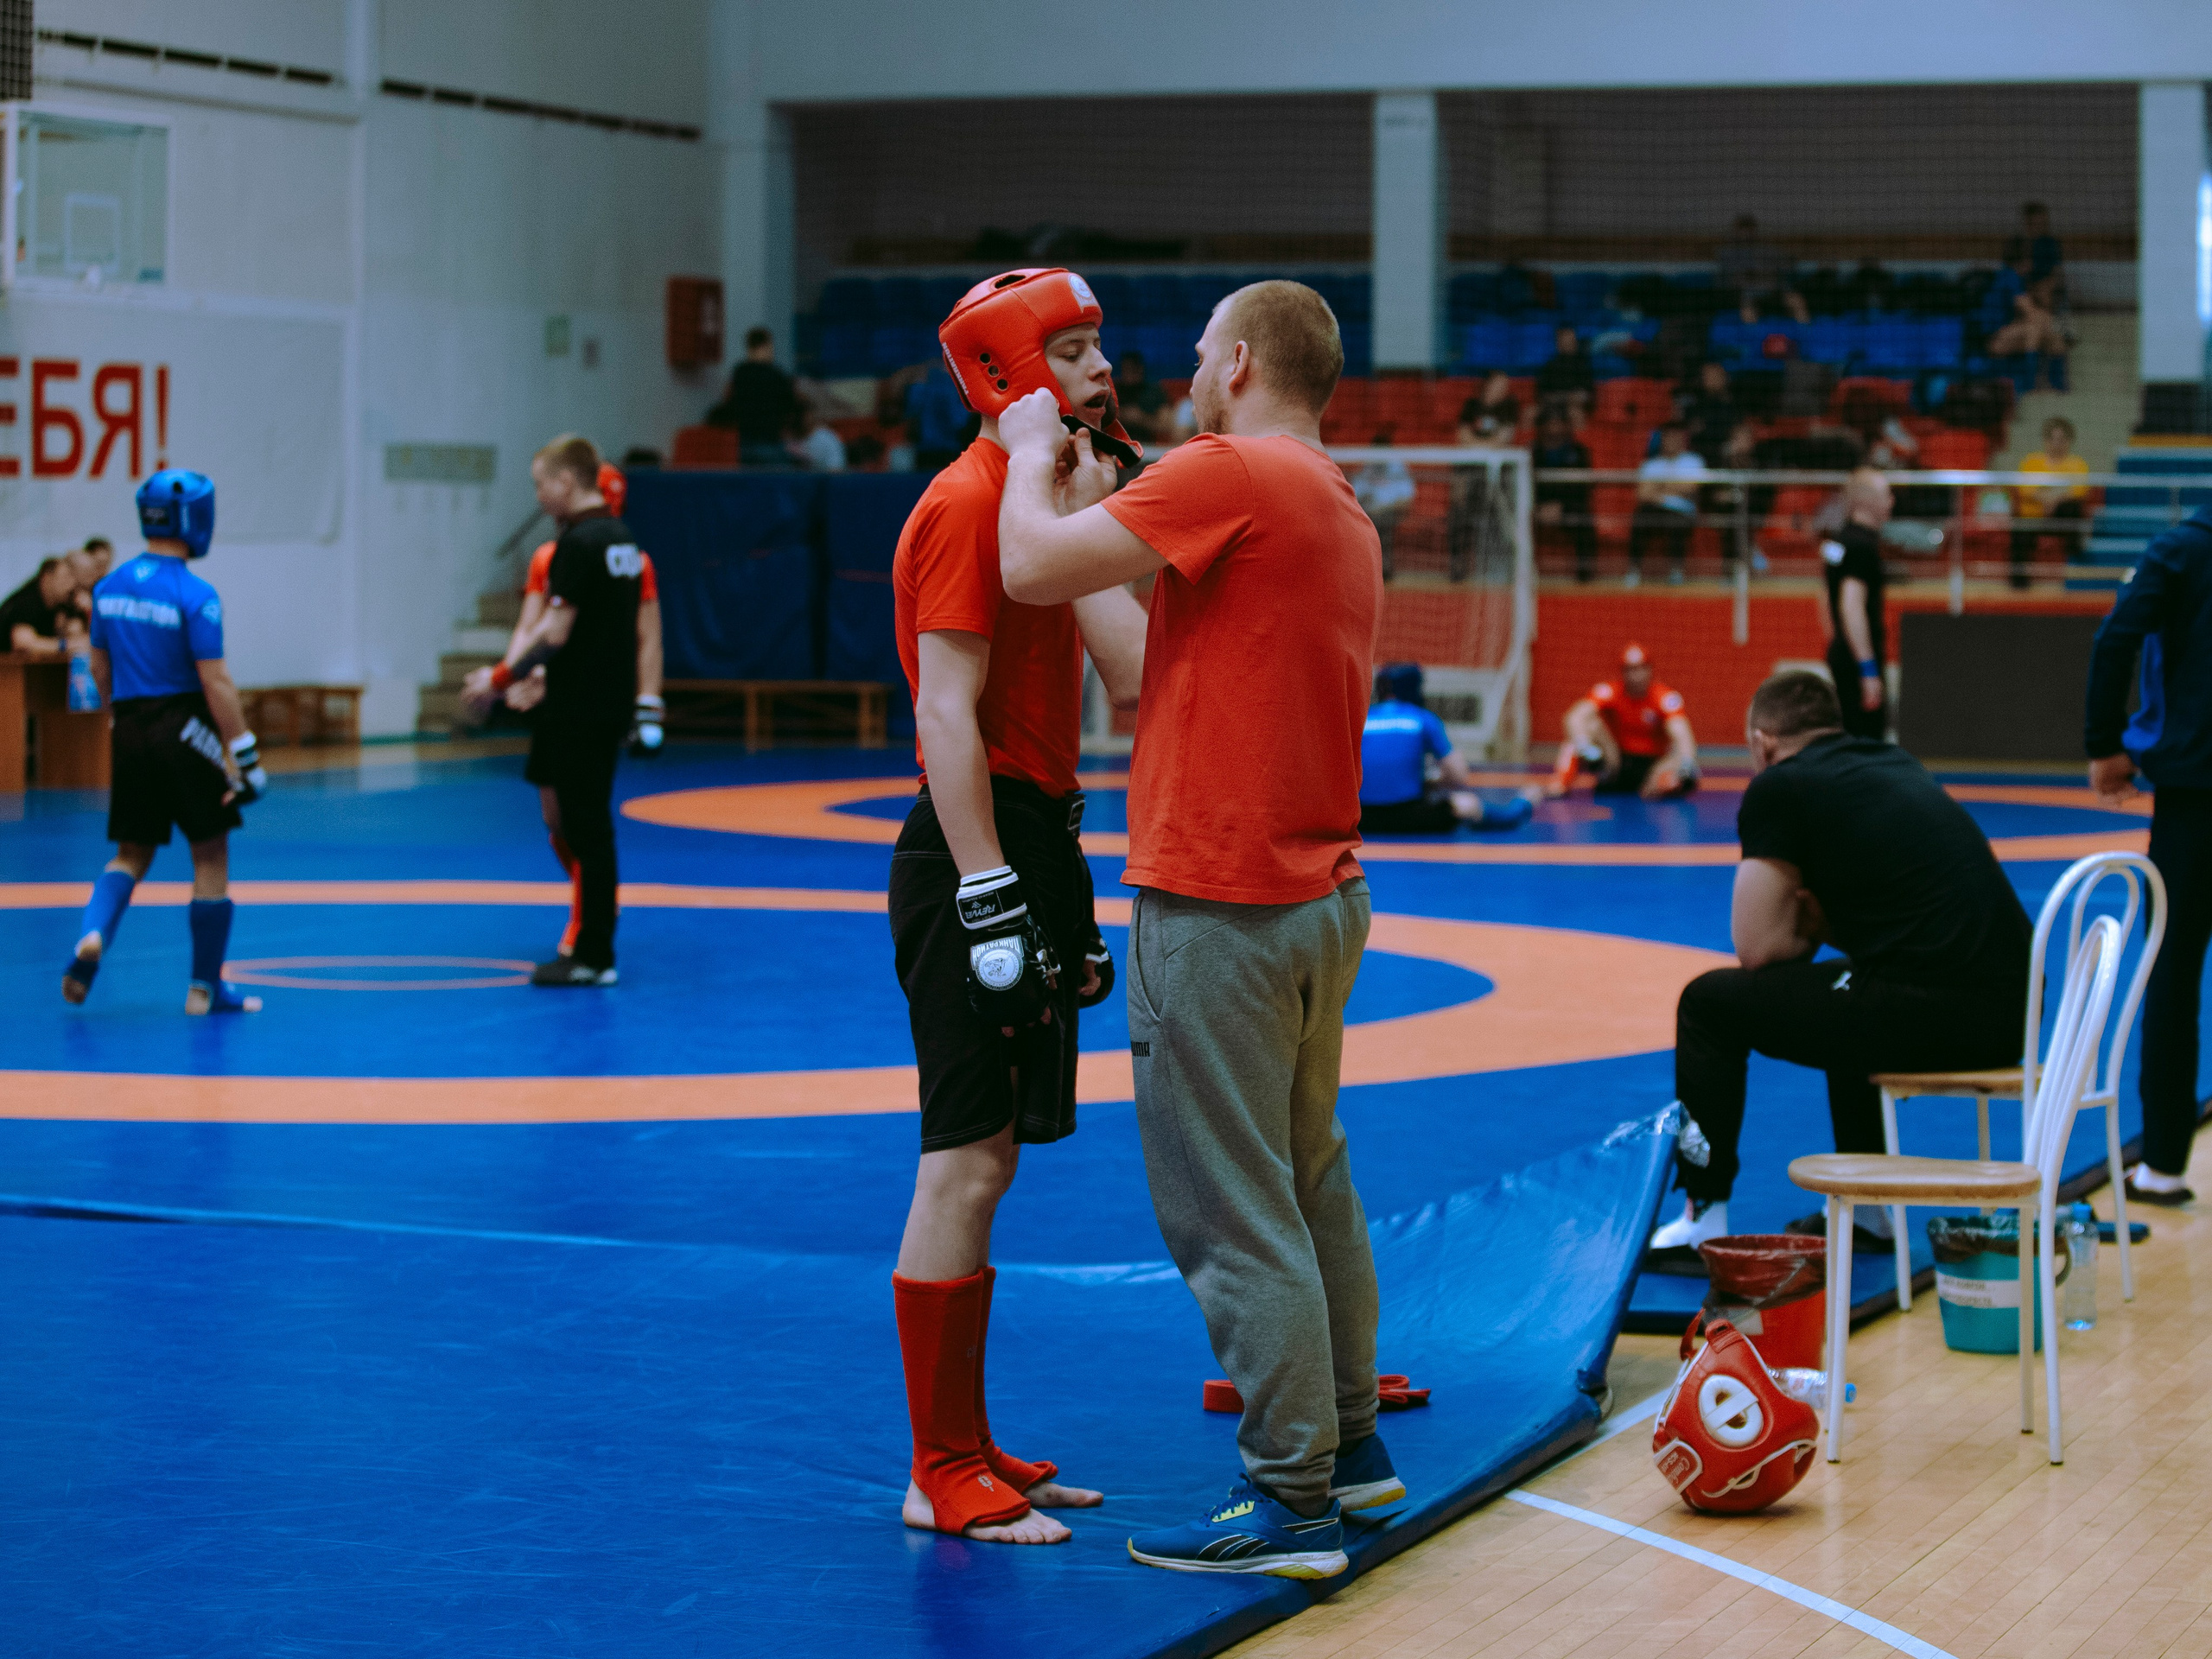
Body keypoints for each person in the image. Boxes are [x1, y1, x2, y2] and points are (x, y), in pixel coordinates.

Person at [997, 278, 1393, 1580]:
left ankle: (1290, 1504)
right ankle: (1350, 1455)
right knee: (1306, 1175)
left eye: (1192, 356)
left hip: (1221, 901)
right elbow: (1129, 648)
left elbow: (1025, 568)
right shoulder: (1329, 499)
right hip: (1316, 899)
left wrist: (1018, 458)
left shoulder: (1226, 471)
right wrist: (1079, 499)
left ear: (1233, 361)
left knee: (1232, 1211)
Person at [886, 266, 1148, 1546]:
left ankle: (972, 1442)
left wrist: (1098, 516)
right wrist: (989, 889)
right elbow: (944, 710)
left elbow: (1137, 676)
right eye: (1078, 351)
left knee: (999, 1159)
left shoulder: (1044, 504)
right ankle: (939, 1470)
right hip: (970, 845)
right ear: (1010, 371)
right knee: (964, 1155)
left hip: (1037, 839)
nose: (1104, 370)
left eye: (1102, 347)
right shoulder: (965, 501)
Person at [1649, 671, 2032, 1256]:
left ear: (1762, 743)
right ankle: (1871, 1215)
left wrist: (1806, 923)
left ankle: (1703, 1214)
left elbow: (1755, 949)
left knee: (1708, 1004)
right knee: (1847, 986)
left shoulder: (1783, 786)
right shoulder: (1891, 762)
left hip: (1938, 1010)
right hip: (2013, 1014)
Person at [60, 470, 269, 1014]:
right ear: (194, 520)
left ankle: (93, 935)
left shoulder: (108, 588)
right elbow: (215, 682)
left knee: (131, 852)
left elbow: (98, 666)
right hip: (182, 725)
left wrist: (114, 719)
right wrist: (244, 753)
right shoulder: (195, 594)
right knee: (210, 853)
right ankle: (204, 988)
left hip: (129, 726)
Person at [459, 435, 644, 987]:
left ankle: (592, 953)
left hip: (579, 706)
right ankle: (594, 947)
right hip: (609, 700)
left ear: (567, 481)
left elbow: (556, 633)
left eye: (542, 484)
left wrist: (498, 679)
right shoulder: (623, 541)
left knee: (585, 830)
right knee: (587, 826)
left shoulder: (579, 544)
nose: (539, 496)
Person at [2083, 497, 2212, 1206]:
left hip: (2195, 799)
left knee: (2174, 973)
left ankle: (2164, 1162)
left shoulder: (2181, 550)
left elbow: (2116, 639)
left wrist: (2105, 745)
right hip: (2193, 789)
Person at [503, 463, 664, 959]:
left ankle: (587, 916)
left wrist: (649, 702)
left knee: (587, 823)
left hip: (585, 702)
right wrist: (516, 676)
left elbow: (645, 636)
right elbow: (534, 625)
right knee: (557, 817)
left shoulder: (627, 557)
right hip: (559, 698)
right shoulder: (553, 555)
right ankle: (592, 903)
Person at [1360, 664, 1533, 833]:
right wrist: (1427, 782)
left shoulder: (1361, 718)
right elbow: (1459, 775)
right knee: (1466, 803)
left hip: (1361, 820)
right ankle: (1519, 808)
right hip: (1409, 816)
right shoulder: (1424, 719)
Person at [1548, 642, 1700, 798]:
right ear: (1623, 672)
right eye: (1630, 670)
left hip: (1652, 764)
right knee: (1579, 735)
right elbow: (1575, 716)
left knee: (1675, 773)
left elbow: (1681, 733)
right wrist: (1586, 748)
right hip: (1618, 761)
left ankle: (1662, 783)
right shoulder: (1609, 691)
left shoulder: (1665, 698)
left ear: (1649, 670)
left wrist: (1687, 762)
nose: (1636, 676)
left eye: (1640, 669)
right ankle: (1560, 783)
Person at [1821, 467, 1892, 741]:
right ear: (1867, 501)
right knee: (1865, 741)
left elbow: (1825, 596)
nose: (1891, 502)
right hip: (1857, 658)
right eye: (1886, 495)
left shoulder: (1840, 541)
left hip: (1843, 651)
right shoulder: (1862, 546)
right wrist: (1868, 669)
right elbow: (1851, 606)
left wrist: (1837, 639)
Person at [2011, 416, 2090, 588]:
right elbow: (2024, 489)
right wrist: (2050, 497)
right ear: (2046, 440)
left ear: (2069, 441)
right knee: (2019, 529)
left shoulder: (2077, 464)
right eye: (2052, 439)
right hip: (2033, 516)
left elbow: (2079, 490)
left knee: (2073, 508)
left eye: (2062, 439)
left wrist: (2053, 499)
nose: (2057, 444)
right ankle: (2018, 582)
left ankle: (2075, 557)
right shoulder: (2032, 461)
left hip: (2061, 516)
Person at [704, 327, 802, 466]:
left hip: (745, 442)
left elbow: (730, 403)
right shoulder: (776, 375)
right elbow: (791, 406)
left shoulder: (740, 373)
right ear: (767, 346)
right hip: (770, 441)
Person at [1630, 423, 1706, 587]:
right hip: (1655, 508)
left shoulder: (1693, 461)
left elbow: (1691, 487)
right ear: (1662, 440)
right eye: (1668, 437)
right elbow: (1642, 494)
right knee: (1639, 518)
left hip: (1682, 511)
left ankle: (1676, 571)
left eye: (1676, 437)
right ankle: (1633, 571)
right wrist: (1675, 486)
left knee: (1676, 523)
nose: (1672, 441)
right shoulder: (1651, 464)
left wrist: (1658, 485)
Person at [1532, 409, 1595, 582]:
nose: (1554, 429)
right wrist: (1537, 507)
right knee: (1516, 518)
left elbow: (1582, 488)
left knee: (1584, 519)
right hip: (1537, 508)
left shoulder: (1580, 452)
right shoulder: (1531, 453)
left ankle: (1584, 577)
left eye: (1558, 424)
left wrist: (1561, 505)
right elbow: (1523, 485)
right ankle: (1524, 571)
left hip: (1569, 507)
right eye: (1550, 424)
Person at [1716, 214, 1808, 325]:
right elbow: (1730, 280)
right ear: (1736, 232)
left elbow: (1789, 264)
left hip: (1775, 292)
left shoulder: (1769, 250)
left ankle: (1805, 334)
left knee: (1796, 300)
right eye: (1742, 230)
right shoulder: (1727, 253)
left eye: (1749, 230)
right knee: (1747, 311)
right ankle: (1753, 338)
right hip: (1750, 296)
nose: (1746, 234)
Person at [1351, 428, 1414, 579]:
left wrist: (1383, 508)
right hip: (1367, 513)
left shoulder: (1398, 468)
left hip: (1390, 512)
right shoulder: (1367, 468)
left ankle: (1383, 569)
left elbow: (1406, 499)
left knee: (1380, 523)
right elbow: (1355, 494)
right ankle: (1362, 569)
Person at [0, 555, 88, 653]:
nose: (71, 584)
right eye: (65, 578)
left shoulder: (63, 603)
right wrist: (65, 645)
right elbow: (23, 643)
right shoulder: (26, 602)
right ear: (47, 577)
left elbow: (76, 633)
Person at [906, 360, 976, 473]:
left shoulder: (957, 387)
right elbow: (911, 411)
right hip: (927, 450)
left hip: (948, 451)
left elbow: (959, 421)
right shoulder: (926, 383)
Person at [1534, 325, 1593, 423]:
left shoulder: (1584, 366)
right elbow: (1541, 394)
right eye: (1563, 339)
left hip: (1573, 406)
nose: (1566, 343)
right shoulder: (1550, 366)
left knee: (1574, 413)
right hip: (1551, 405)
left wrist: (1574, 398)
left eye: (1569, 340)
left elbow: (1588, 395)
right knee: (1530, 413)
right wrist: (1560, 398)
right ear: (1558, 342)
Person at [1113, 350, 1170, 445]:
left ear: (1140, 369)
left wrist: (1140, 418)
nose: (1129, 375)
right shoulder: (1113, 390)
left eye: (1133, 370)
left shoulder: (1153, 391)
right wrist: (1121, 415)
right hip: (1117, 445)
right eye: (1126, 370)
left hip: (1147, 447)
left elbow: (1166, 426)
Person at [1455, 370, 1518, 445]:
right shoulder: (1471, 405)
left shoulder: (1509, 407)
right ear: (1488, 384)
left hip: (1498, 453)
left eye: (1504, 386)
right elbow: (1463, 434)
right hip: (1471, 451)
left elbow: (1504, 438)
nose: (1502, 389)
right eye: (1498, 385)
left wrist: (1483, 447)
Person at [797, 406, 848, 472]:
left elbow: (836, 469)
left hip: (823, 480)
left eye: (804, 415)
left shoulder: (827, 438)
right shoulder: (790, 440)